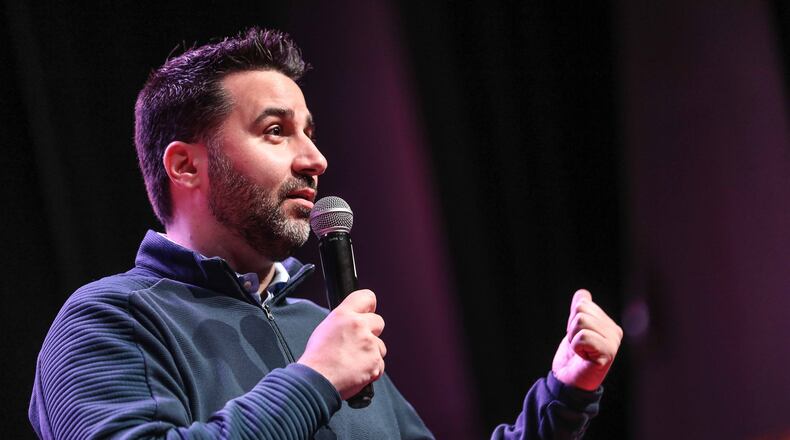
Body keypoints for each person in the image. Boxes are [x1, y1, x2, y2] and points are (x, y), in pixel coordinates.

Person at [29, 27, 622, 439]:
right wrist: (313, 381)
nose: (314, 158)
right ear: (186, 165)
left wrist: (564, 397)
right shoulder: (111, 319)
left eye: (309, 131)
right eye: (275, 131)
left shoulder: (318, 327)